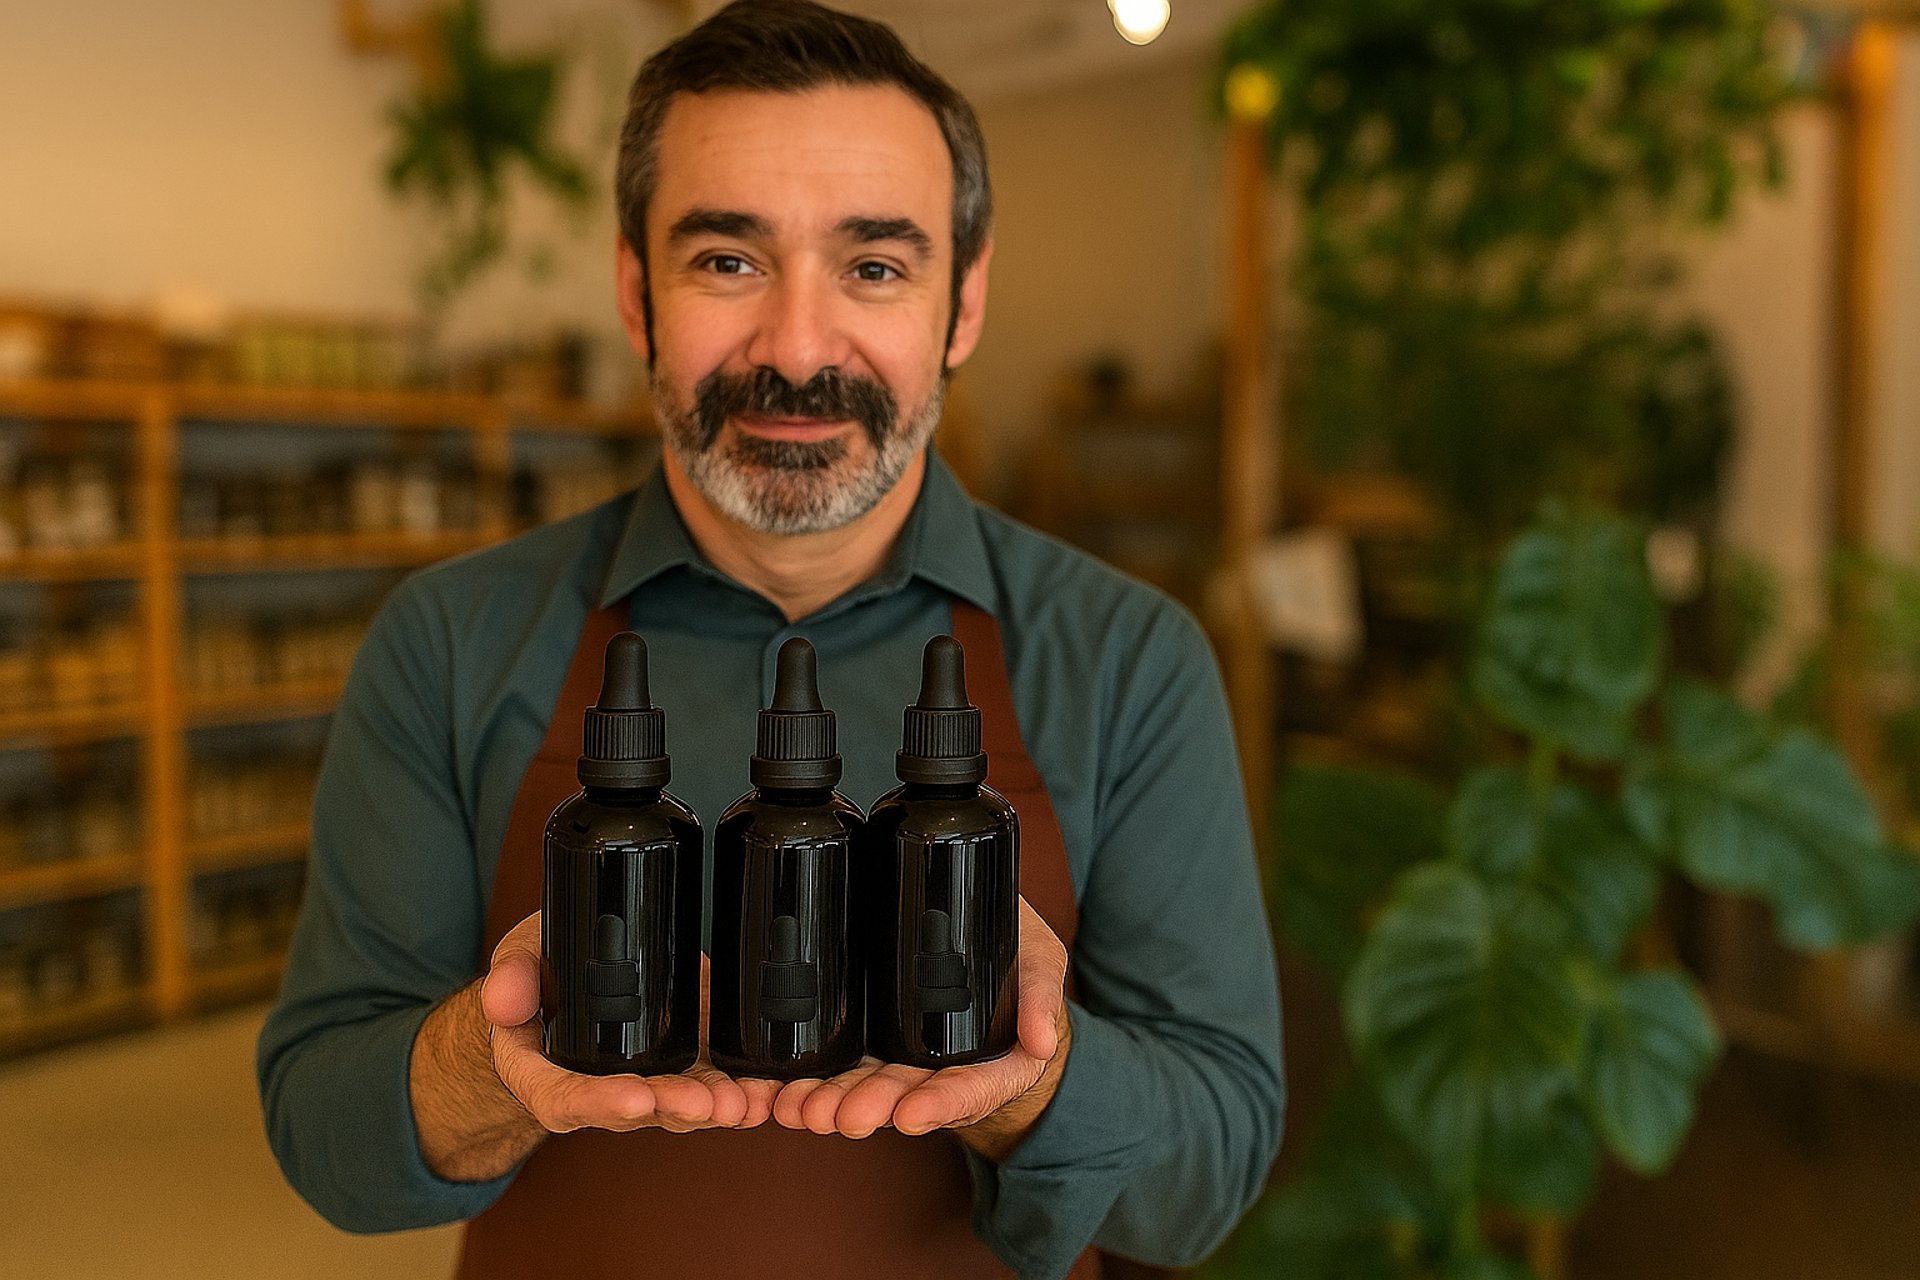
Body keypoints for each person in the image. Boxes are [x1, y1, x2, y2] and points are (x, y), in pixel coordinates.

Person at [256, 2, 1284, 1277]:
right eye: (728, 261)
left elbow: (1214, 1172)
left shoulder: (1127, 658)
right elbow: (322, 1130)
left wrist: (1030, 1070)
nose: (798, 349)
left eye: (875, 266)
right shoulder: (451, 639)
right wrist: (495, 1057)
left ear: (961, 305)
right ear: (638, 293)